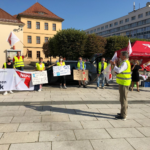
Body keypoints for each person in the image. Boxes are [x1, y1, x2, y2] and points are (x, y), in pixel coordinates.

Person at [110, 51, 131, 120]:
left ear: (124, 56)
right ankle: (123, 112)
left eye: (121, 55)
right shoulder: (124, 62)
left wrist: (114, 64)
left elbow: (119, 70)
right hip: (123, 82)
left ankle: (123, 115)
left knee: (123, 99)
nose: (120, 56)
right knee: (122, 99)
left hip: (124, 83)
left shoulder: (125, 63)